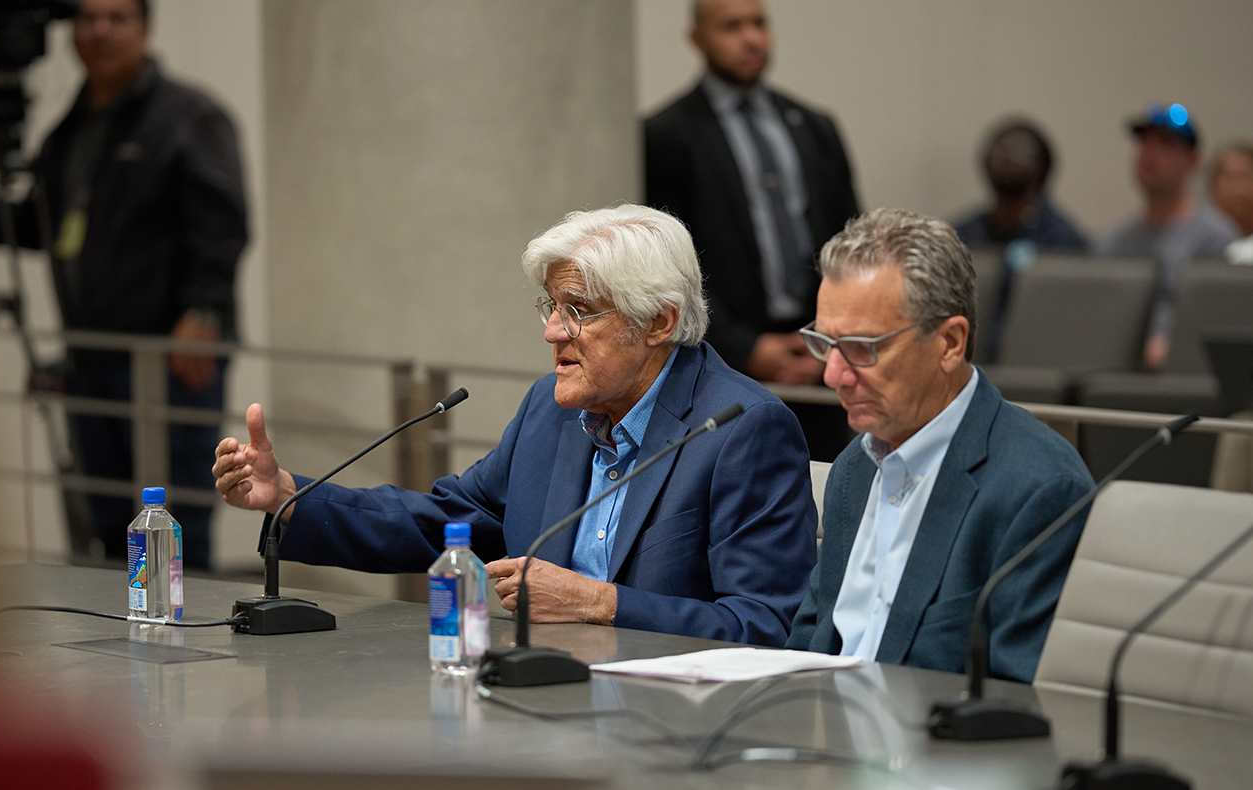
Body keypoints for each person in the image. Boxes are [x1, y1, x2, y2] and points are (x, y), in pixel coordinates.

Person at [213, 205, 818, 646]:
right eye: (552, 307)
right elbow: (448, 521)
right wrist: (290, 497)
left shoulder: (742, 430)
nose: (553, 331)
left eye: (578, 311)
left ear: (659, 322)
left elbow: (767, 624)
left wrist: (602, 603)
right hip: (543, 700)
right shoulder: (552, 410)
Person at [0, 0, 248, 569]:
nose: (100, 31)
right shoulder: (72, 128)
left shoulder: (189, 116)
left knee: (175, 524)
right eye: (87, 19)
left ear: (146, 29)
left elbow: (223, 224)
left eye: (117, 18)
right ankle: (122, 624)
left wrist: (205, 310)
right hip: (92, 360)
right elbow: (43, 225)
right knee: (110, 525)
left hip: (168, 361)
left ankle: (183, 626)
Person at [785, 208, 1094, 683]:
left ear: (950, 343)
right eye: (825, 344)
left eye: (862, 348)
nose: (833, 375)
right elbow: (809, 643)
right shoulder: (856, 467)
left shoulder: (1038, 489)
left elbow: (1017, 702)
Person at [643, 0, 859, 388]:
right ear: (697, 39)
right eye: (732, 27)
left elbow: (851, 241)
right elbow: (666, 263)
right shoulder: (665, 136)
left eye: (759, 23)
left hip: (824, 354)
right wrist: (746, 349)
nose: (752, 39)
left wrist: (834, 336)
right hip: (721, 363)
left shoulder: (815, 127)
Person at [1096, 103, 1238, 372]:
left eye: (1165, 145)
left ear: (1193, 161)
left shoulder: (1214, 238)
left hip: (1182, 374)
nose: (1149, 155)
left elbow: (1213, 320)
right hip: (1112, 371)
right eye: (1144, 144)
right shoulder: (1112, 242)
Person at [952, 119, 1087, 253]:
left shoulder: (1064, 241)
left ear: (1043, 168)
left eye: (1020, 149)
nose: (1007, 157)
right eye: (1000, 149)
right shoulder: (964, 235)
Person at [1209, 142, 1253, 264]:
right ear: (1213, 186)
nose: (1237, 186)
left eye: (1245, 176)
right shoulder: (1200, 239)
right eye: (1228, 177)